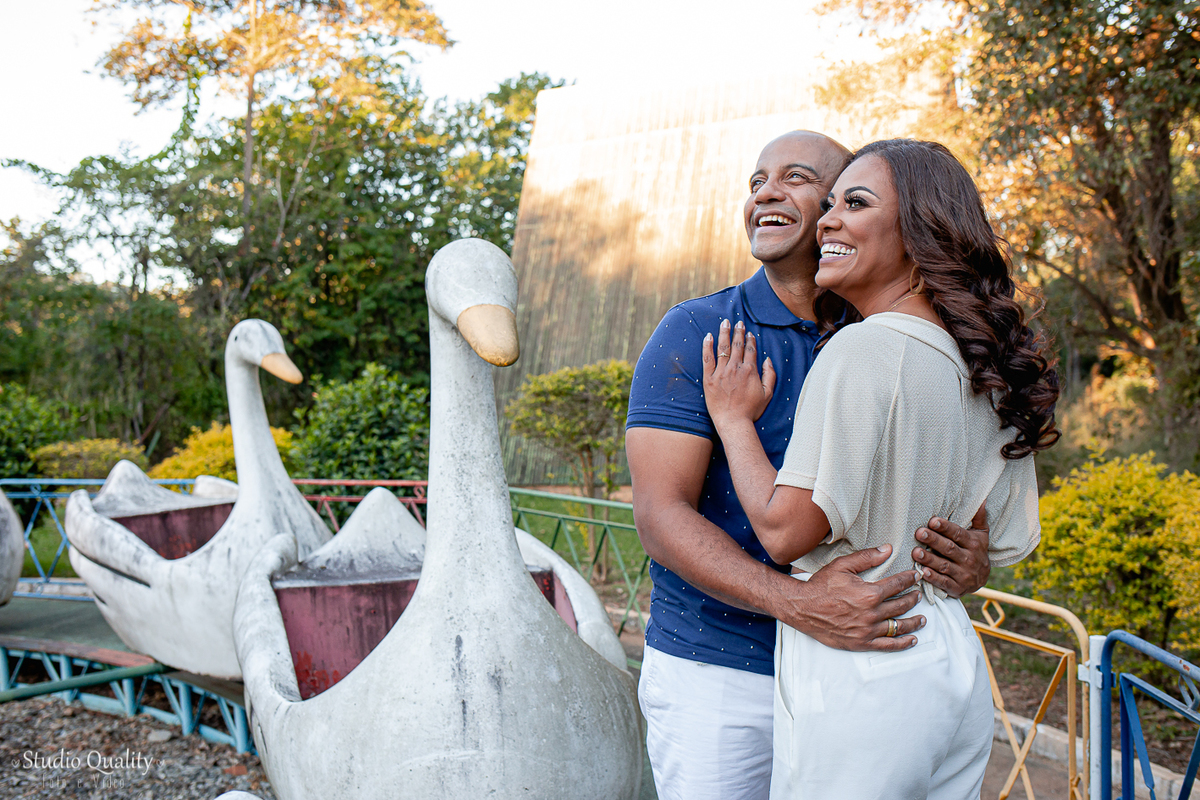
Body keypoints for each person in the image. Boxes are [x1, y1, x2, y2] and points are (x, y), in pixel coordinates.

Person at [625, 130, 993, 800]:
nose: (766, 192)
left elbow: (954, 503)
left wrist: (966, 560)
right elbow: (658, 514)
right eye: (756, 181)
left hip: (865, 673)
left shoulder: (890, 335)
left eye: (795, 177)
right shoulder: (697, 330)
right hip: (721, 675)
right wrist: (799, 606)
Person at [701, 138, 1060, 798]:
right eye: (831, 205)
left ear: (920, 234)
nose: (828, 221)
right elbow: (990, 538)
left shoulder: (864, 349)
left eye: (856, 204)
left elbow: (784, 532)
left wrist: (732, 418)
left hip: (866, 652)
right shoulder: (978, 365)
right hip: (951, 654)